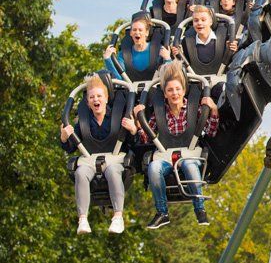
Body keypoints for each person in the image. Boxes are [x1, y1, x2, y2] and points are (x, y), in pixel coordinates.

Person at [133, 61, 220, 228]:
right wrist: (139, 122)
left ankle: (200, 209)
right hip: (165, 154)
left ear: (184, 90)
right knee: (153, 168)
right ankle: (162, 212)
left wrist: (213, 110)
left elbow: (210, 131)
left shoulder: (194, 108)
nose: (174, 93)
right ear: (165, 94)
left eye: (178, 89)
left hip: (190, 152)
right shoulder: (160, 112)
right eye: (170, 90)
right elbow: (146, 138)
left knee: (189, 165)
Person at [60, 74, 136, 234]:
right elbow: (69, 148)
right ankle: (82, 219)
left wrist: (133, 129)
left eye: (99, 96)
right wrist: (64, 137)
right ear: (88, 102)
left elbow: (133, 143)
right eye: (92, 97)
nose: (96, 100)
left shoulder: (118, 118)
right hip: (90, 160)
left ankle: (117, 217)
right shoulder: (84, 122)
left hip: (115, 159)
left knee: (113, 171)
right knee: (80, 173)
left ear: (106, 99)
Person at [104, 15, 171, 80]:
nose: (137, 32)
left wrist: (167, 59)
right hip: (130, 89)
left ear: (146, 33)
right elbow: (119, 79)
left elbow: (169, 75)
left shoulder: (159, 50)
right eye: (134, 30)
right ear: (130, 33)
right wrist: (107, 59)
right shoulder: (123, 54)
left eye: (140, 30)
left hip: (155, 88)